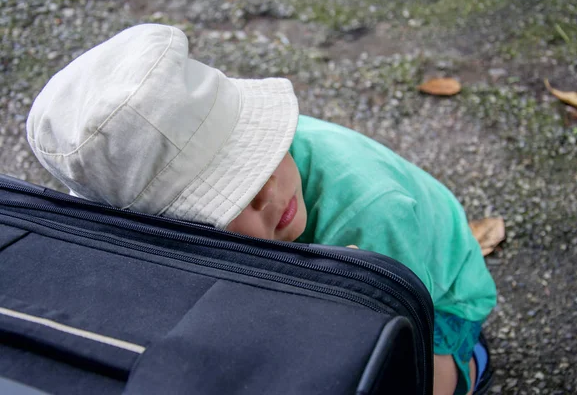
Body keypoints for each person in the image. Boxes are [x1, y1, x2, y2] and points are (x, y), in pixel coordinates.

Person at [26, 23, 496, 395]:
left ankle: (470, 358)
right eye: (232, 193)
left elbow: (403, 318)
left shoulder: (374, 209)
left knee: (417, 381)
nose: (269, 188)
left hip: (435, 292)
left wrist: (351, 303)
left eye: (262, 152)